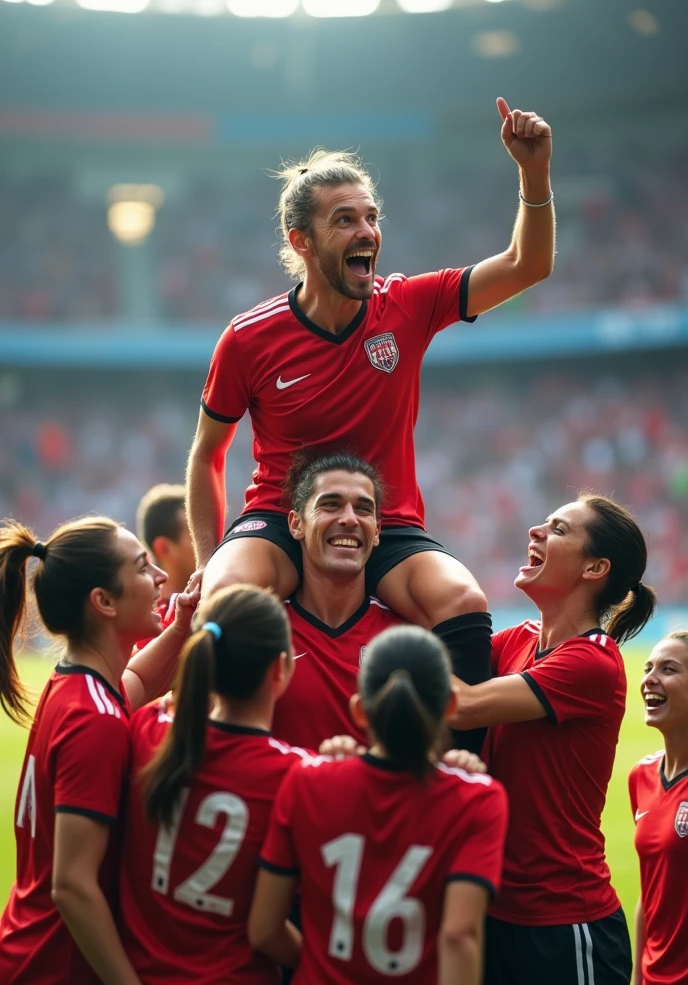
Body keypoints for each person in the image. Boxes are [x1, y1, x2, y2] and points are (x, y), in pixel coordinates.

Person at [187, 97, 555, 718]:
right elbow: (207, 456)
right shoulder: (248, 338)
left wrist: (534, 173)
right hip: (279, 517)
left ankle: (450, 773)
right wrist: (205, 561)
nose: (367, 233)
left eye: (372, 217)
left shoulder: (408, 304)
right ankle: (218, 760)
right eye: (344, 221)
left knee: (463, 600)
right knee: (223, 599)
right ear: (300, 240)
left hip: (388, 522)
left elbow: (529, 265)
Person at [448, 493, 656, 985]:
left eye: (559, 530)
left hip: (566, 922)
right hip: (497, 910)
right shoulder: (517, 641)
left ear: (595, 568)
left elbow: (461, 702)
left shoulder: (593, 662)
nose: (535, 533)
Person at [249, 624, 508, 985]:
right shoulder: (478, 799)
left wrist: (317, 964)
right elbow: (458, 936)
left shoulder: (307, 781)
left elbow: (263, 930)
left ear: (359, 709)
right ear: (450, 705)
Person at [0, 516, 199, 985]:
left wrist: (181, 627)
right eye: (143, 567)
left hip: (26, 947)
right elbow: (71, 886)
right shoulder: (95, 721)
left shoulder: (75, 686)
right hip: (53, 966)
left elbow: (136, 684)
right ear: (104, 601)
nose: (161, 578)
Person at [119, 583, 312, 984]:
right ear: (281, 669)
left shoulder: (147, 731)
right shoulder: (297, 776)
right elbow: (268, 932)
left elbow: (127, 687)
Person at [272, 451, 403, 751]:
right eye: (330, 505)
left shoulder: (404, 638)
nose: (349, 519)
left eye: (363, 509)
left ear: (378, 530)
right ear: (296, 524)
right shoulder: (264, 633)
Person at [629, 630, 688, 985]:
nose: (649, 678)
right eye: (648, 667)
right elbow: (649, 893)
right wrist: (638, 976)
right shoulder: (642, 775)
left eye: (668, 669)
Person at [136, 483, 196, 606]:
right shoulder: (149, 621)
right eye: (195, 536)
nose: (209, 543)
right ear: (163, 549)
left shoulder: (216, 601)